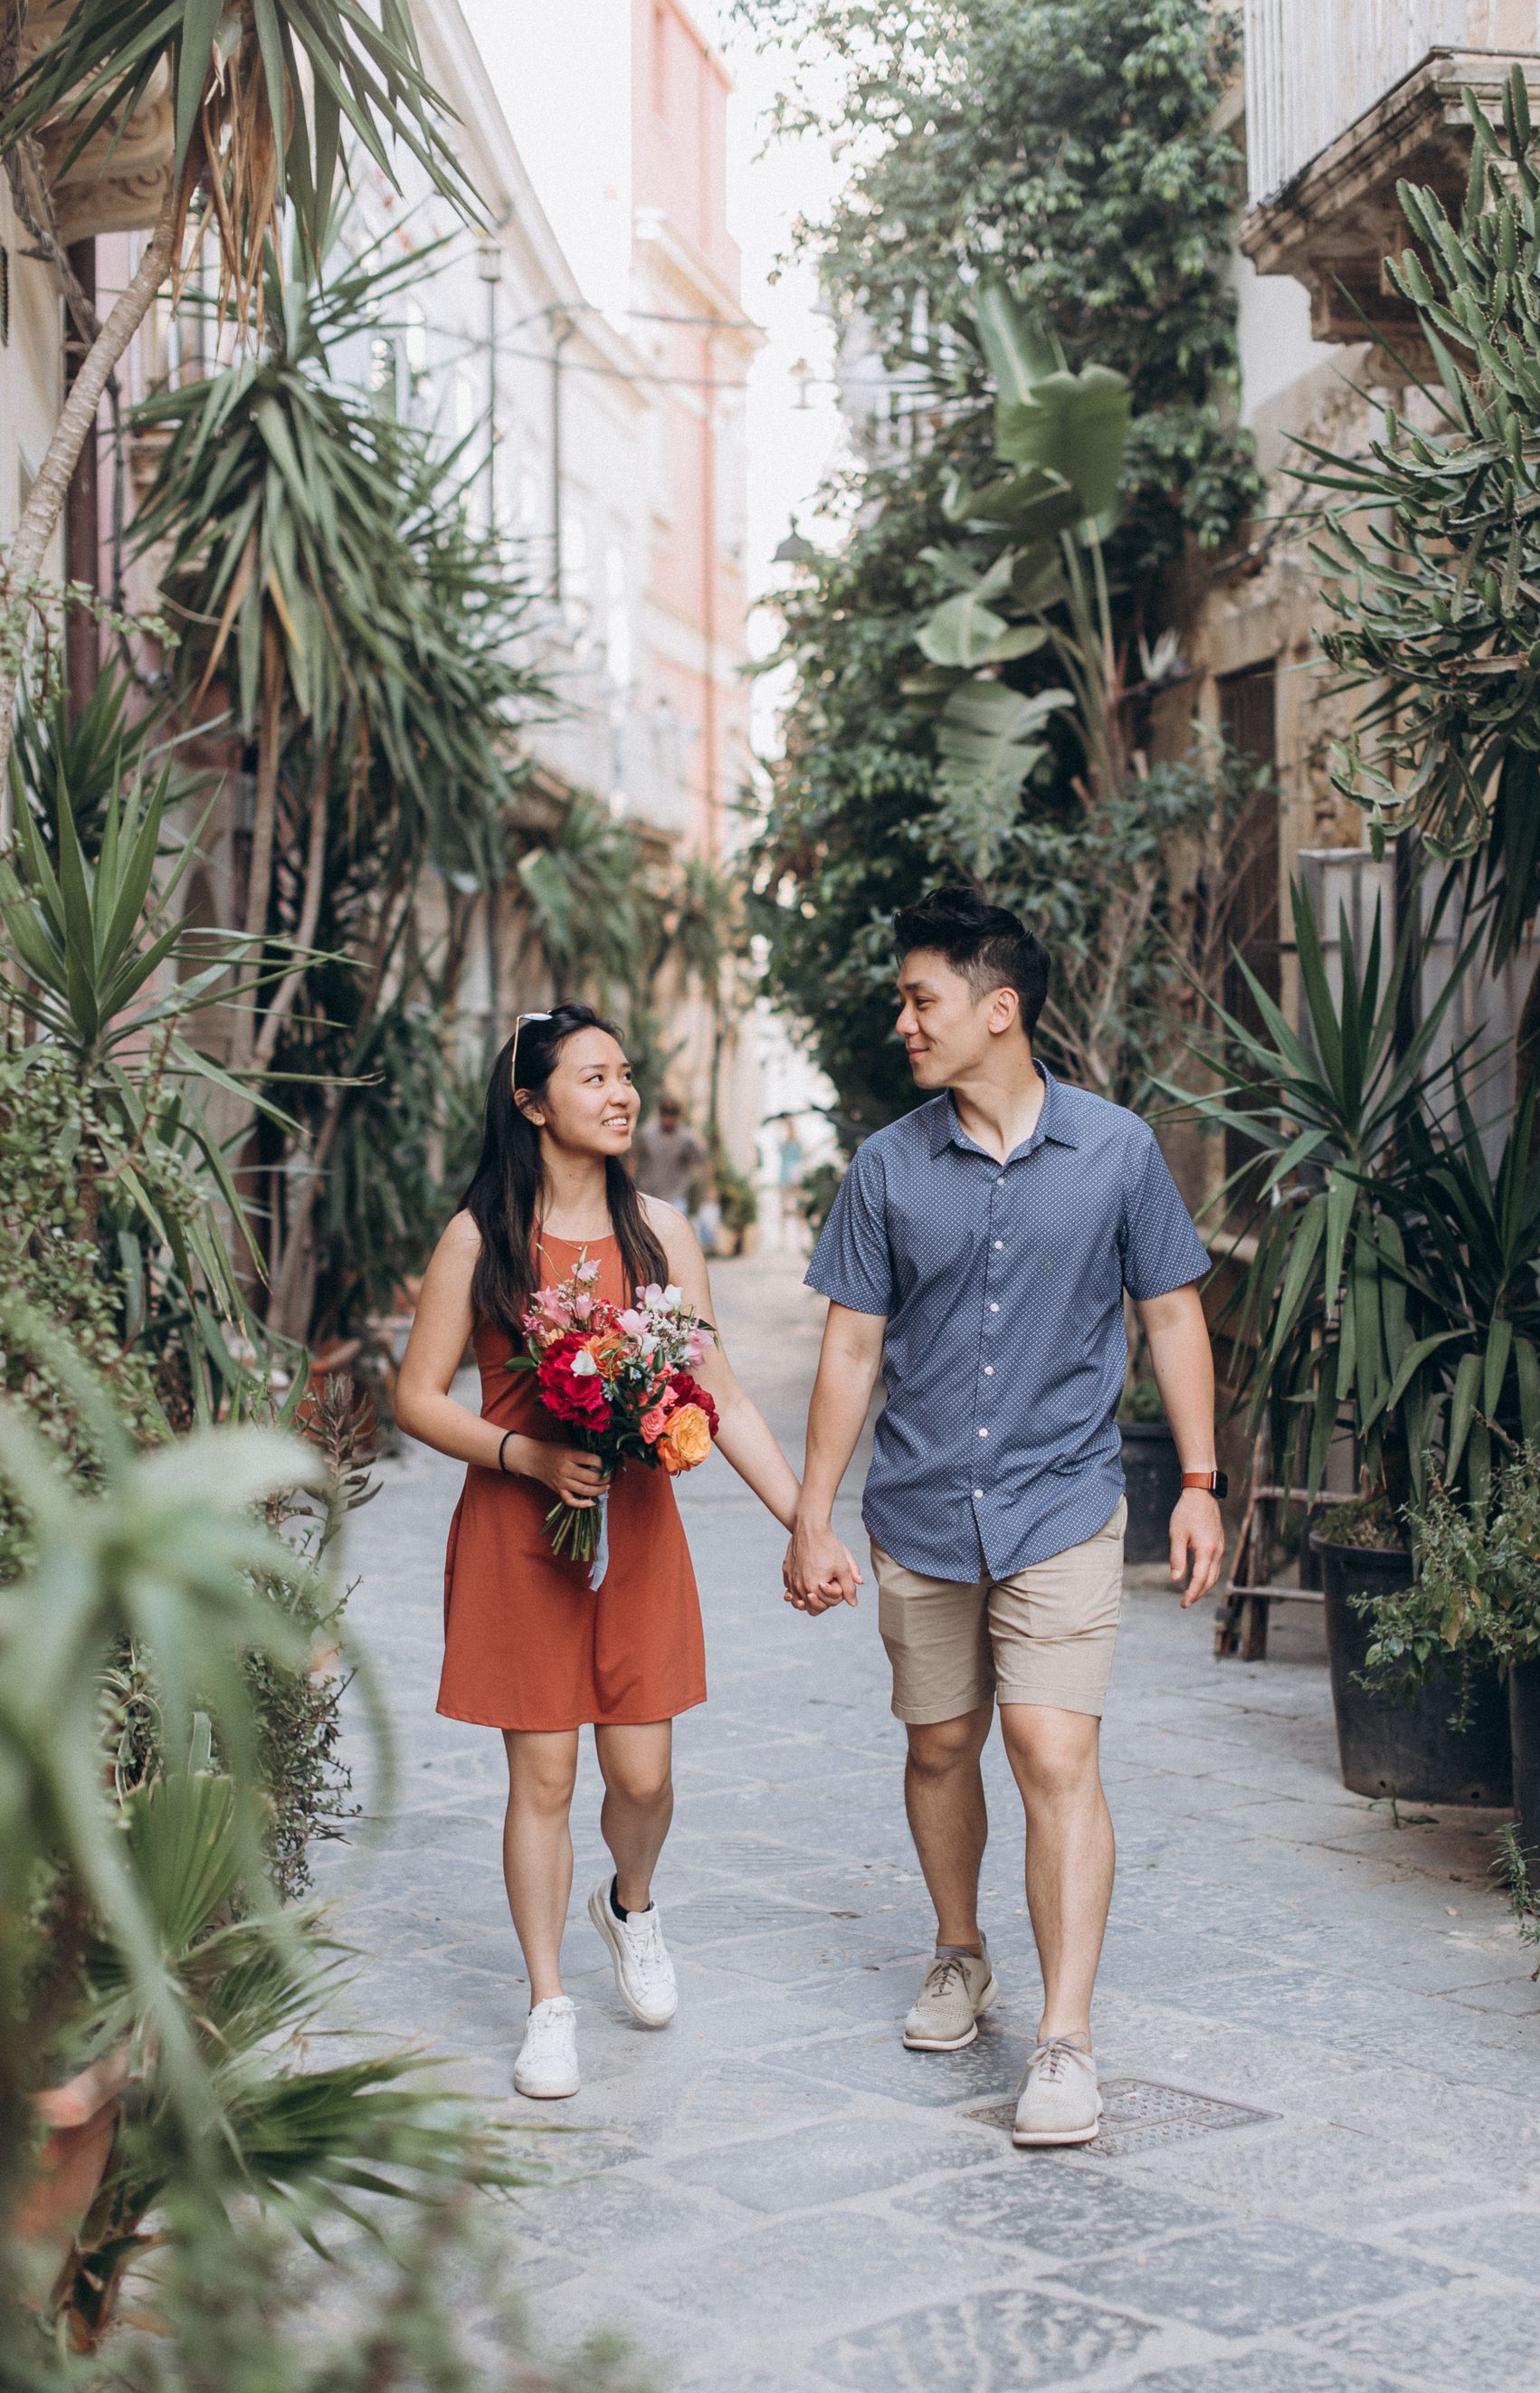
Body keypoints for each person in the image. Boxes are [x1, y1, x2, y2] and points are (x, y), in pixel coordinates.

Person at [784, 889, 1225, 2150]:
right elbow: (852, 1350)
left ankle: (1066, 2039)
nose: (904, 1021)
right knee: (939, 1748)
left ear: (999, 1009)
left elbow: (1174, 1316)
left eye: (922, 999)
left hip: (1064, 1500)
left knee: (1050, 1750)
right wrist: (812, 1518)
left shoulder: (1119, 1152)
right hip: (919, 1506)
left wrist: (1198, 1484)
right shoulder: (887, 1167)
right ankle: (959, 1952)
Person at [395, 1006, 802, 2101]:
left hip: (632, 1531)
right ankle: (547, 2002)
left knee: (643, 1772)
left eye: (625, 1074)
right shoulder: (478, 1237)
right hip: (517, 1533)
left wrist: (802, 1516)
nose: (620, 1093)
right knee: (544, 1773)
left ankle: (629, 1903)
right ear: (532, 1102)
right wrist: (525, 1454)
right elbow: (414, 1397)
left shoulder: (660, 1233)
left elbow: (713, 1388)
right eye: (593, 1077)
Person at [636, 1093, 706, 1213]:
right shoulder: (647, 1133)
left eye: (672, 1112)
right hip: (649, 1195)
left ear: (677, 1115)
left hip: (676, 1198)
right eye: (665, 1111)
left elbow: (703, 1162)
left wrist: (708, 1190)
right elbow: (634, 1156)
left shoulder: (686, 1138)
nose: (668, 1117)